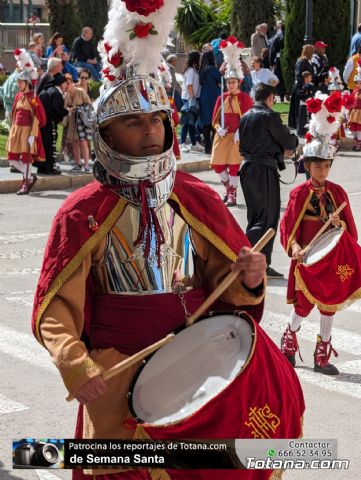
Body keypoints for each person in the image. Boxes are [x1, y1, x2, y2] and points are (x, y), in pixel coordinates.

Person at [31, 4, 304, 479]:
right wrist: (76, 363)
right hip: (118, 376)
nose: (151, 130)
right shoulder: (80, 214)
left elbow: (229, 283)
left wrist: (250, 279)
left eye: (156, 119)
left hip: (199, 365)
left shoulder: (195, 197)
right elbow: (55, 310)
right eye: (135, 122)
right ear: (106, 132)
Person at [280, 99, 358, 375]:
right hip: (307, 259)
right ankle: (289, 341)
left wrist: (341, 225)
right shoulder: (298, 194)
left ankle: (322, 354)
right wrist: (296, 247)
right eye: (317, 166)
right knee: (303, 306)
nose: (322, 172)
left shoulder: (338, 193)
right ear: (307, 166)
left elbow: (351, 232)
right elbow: (288, 227)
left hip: (330, 258)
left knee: (329, 307)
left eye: (326, 166)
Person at [239, 83, 298, 278]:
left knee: (256, 217)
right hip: (262, 170)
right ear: (270, 98)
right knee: (267, 219)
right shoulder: (268, 115)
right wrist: (293, 142)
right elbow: (287, 140)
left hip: (248, 169)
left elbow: (256, 143)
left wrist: (278, 150)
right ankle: (238, 254)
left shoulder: (245, 116)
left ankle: (259, 263)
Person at [211, 37, 253, 207]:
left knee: (234, 167)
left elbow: (249, 118)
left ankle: (233, 195)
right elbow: (214, 119)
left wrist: (240, 131)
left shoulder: (245, 98)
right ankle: (229, 188)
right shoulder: (221, 98)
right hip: (222, 136)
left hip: (237, 136)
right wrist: (218, 128)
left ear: (239, 82)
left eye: (233, 82)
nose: (231, 85)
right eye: (228, 82)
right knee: (217, 165)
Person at [6, 68, 46, 194]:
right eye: (18, 82)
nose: (19, 84)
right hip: (16, 130)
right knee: (12, 158)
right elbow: (14, 113)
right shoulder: (18, 96)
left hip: (27, 132)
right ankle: (30, 176)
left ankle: (25, 184)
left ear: (27, 83)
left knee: (25, 159)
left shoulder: (33, 98)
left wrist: (33, 135)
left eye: (21, 82)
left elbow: (39, 118)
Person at [38, 74, 70, 175]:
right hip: (50, 123)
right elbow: (57, 108)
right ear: (61, 83)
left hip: (43, 123)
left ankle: (42, 167)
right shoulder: (56, 92)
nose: (67, 85)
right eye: (66, 83)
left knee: (44, 144)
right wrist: (66, 111)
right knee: (50, 145)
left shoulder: (48, 90)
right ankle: (50, 168)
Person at [63, 75, 93, 172]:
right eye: (65, 84)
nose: (66, 86)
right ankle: (78, 164)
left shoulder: (80, 92)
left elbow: (89, 105)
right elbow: (65, 107)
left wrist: (77, 108)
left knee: (83, 142)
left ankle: (87, 165)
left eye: (68, 84)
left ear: (72, 83)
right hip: (73, 120)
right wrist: (69, 109)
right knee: (75, 142)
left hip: (82, 119)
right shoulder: (67, 95)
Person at [179, 50, 203, 153]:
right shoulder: (190, 71)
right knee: (187, 122)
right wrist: (192, 98)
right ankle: (182, 143)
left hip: (191, 98)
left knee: (192, 123)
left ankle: (193, 144)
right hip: (188, 98)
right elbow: (189, 85)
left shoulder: (194, 69)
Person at [199, 51, 221, 155]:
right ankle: (213, 145)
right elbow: (220, 78)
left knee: (206, 120)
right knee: (215, 118)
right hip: (213, 94)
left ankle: (207, 146)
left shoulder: (201, 70)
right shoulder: (213, 69)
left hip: (204, 95)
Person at [288, 44, 315, 130]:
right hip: (300, 87)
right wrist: (304, 86)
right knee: (298, 107)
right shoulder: (302, 62)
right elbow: (298, 76)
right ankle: (297, 124)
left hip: (305, 86)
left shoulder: (306, 61)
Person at [269, 23, 286, 102]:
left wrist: (271, 62)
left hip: (279, 59)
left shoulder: (277, 37)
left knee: (279, 77)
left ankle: (282, 95)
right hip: (284, 58)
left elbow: (272, 50)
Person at [296, 71, 316, 137]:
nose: (311, 78)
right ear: (305, 78)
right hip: (303, 104)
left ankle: (309, 131)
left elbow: (313, 93)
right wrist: (306, 97)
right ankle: (301, 132)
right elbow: (300, 94)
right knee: (302, 119)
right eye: (310, 77)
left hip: (310, 104)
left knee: (310, 118)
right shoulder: (300, 85)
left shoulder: (311, 85)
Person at [348, 67, 361, 150]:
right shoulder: (355, 91)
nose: (358, 84)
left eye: (360, 83)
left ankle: (359, 142)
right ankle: (356, 140)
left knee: (360, 128)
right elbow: (351, 100)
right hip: (354, 111)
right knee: (353, 128)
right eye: (357, 83)